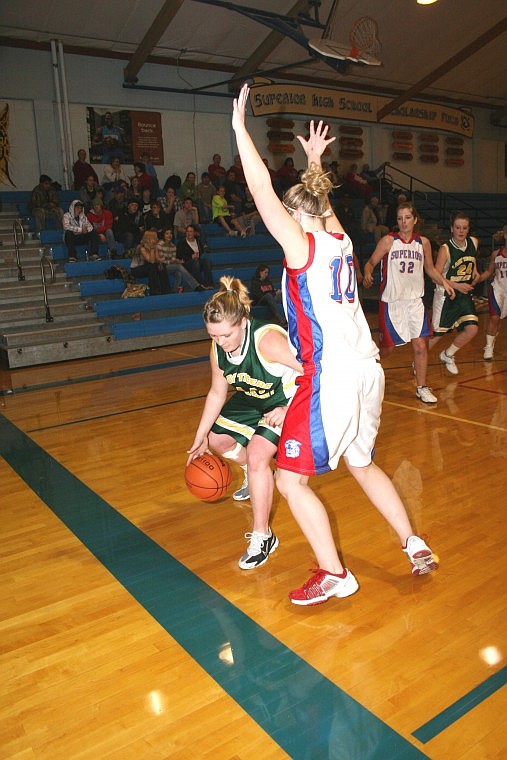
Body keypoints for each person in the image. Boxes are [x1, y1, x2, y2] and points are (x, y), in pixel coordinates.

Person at [232, 83, 439, 605]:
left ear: (295, 214)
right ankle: (413, 543)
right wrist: (315, 163)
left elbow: (260, 192)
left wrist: (240, 132)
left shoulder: (302, 247)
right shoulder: (341, 239)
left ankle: (334, 573)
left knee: (290, 483)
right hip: (368, 372)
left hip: (334, 377)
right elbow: (318, 202)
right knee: (362, 463)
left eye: (286, 211)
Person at [186, 276, 301, 568]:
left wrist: (288, 409)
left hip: (285, 397)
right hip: (253, 396)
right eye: (213, 336)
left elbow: (315, 371)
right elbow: (216, 392)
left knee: (260, 456)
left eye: (226, 335)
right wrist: (199, 437)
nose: (221, 343)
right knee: (217, 440)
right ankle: (253, 474)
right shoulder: (218, 348)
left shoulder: (268, 342)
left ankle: (263, 536)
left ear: (243, 321)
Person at [363, 202, 455, 404]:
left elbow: (430, 270)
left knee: (421, 345)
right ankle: (365, 368)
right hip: (392, 302)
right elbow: (370, 262)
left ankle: (421, 387)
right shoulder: (388, 241)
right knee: (387, 350)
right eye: (399, 218)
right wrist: (368, 273)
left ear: (415, 220)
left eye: (407, 218)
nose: (403, 222)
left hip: (414, 302)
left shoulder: (423, 243)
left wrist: (445, 283)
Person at [428, 212, 480, 375]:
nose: (461, 231)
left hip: (462, 295)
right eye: (457, 227)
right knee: (437, 335)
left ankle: (448, 354)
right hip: (446, 295)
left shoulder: (474, 242)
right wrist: (457, 286)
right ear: (452, 228)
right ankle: (418, 361)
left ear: (468, 229)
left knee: (472, 328)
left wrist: (476, 272)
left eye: (464, 228)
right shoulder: (446, 249)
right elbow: (436, 277)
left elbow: (471, 260)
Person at [475, 224, 507, 360]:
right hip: (498, 289)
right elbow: (489, 271)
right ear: (505, 235)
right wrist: (477, 279)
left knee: (499, 321)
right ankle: (489, 348)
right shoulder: (496, 254)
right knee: (494, 318)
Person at [157, 227, 208, 292]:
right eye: (167, 234)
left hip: (171, 266)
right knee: (178, 266)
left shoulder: (173, 246)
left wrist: (175, 260)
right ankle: (196, 285)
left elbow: (171, 259)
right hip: (162, 267)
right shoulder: (160, 245)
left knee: (179, 273)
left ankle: (175, 290)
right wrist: (174, 260)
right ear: (163, 235)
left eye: (170, 233)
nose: (169, 235)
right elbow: (161, 261)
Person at [130, 230, 170, 295]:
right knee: (152, 266)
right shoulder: (141, 247)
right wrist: (152, 248)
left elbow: (156, 259)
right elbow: (151, 261)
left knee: (161, 265)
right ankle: (154, 291)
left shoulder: (155, 245)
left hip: (147, 266)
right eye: (154, 237)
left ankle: (166, 290)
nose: (155, 239)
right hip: (136, 269)